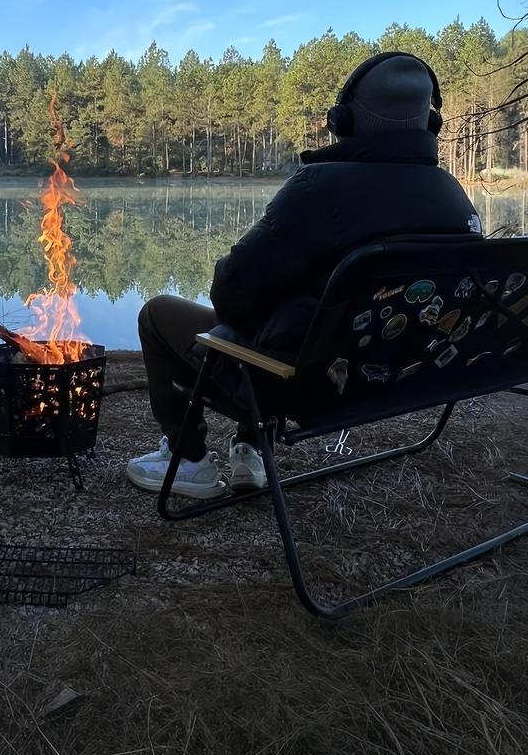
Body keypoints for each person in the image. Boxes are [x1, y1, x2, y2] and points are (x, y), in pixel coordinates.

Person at [125, 51, 483, 499]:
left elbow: (230, 296)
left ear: (344, 120)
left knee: (158, 313)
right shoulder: (454, 197)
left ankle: (190, 460)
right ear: (429, 125)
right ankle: (250, 450)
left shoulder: (319, 189)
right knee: (290, 307)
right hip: (411, 373)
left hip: (306, 386)